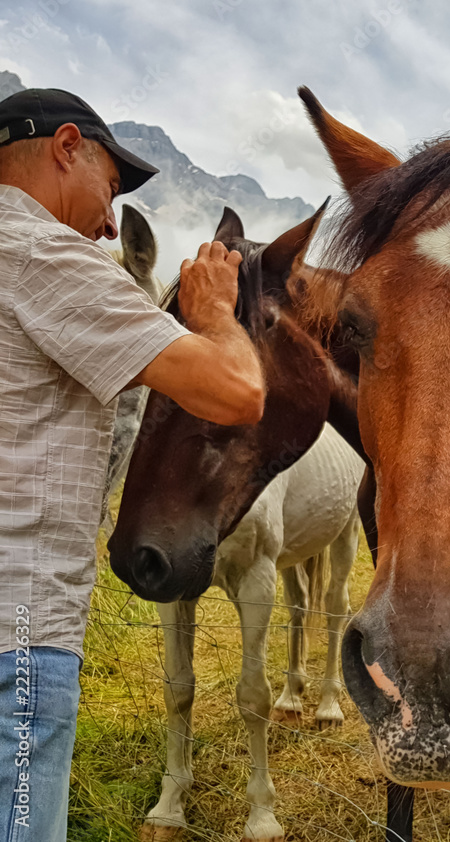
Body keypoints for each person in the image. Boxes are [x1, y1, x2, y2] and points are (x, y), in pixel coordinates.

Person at [0, 88, 266, 841]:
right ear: (65, 148)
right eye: (110, 189)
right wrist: (213, 313)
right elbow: (237, 392)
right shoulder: (40, 252)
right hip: (17, 630)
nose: (110, 222)